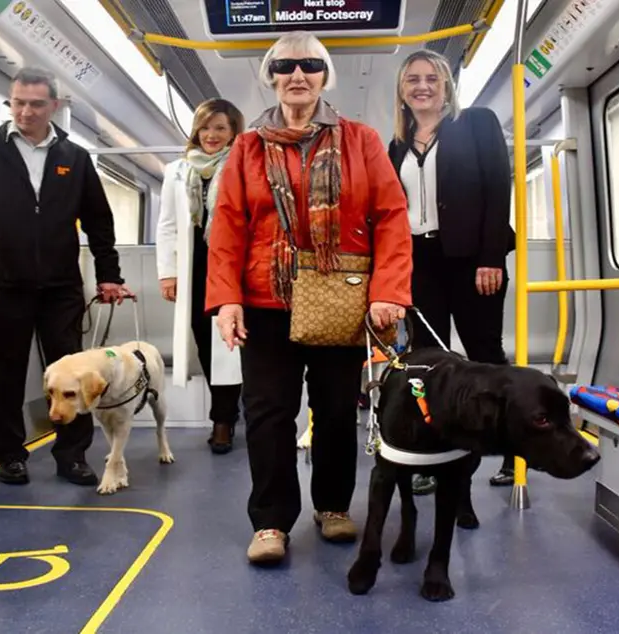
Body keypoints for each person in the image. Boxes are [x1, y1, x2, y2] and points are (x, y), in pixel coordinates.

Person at [206, 31, 413, 565]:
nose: (298, 75)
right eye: (286, 66)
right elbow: (227, 227)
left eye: (310, 65)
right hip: (264, 301)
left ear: (325, 76)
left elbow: (391, 217)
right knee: (269, 413)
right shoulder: (247, 148)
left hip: (339, 298)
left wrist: (388, 291)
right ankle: (271, 521)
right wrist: (226, 300)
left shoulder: (361, 140)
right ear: (272, 77)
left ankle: (333, 506)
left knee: (338, 410)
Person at [0, 67, 132, 487]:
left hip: (60, 287)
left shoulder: (74, 157)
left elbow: (99, 222)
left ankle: (72, 456)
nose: (25, 112)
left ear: (54, 106)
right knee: (0, 375)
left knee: (73, 378)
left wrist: (109, 275)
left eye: (36, 104)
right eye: (17, 102)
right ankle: (9, 456)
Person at [386, 50, 516, 494]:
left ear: (446, 85)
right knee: (426, 361)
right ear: (402, 92)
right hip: (420, 264)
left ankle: (510, 451)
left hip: (471, 259)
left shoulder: (477, 123)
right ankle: (432, 453)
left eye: (431, 78)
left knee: (485, 354)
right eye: (412, 80)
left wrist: (491, 257)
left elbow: (499, 190)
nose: (422, 86)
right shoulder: (397, 144)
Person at [156, 98, 245, 454]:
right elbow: (166, 225)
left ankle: (226, 419)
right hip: (195, 264)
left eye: (220, 128)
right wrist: (168, 273)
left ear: (233, 131)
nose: (211, 135)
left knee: (233, 345)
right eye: (205, 127)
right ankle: (223, 415)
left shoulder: (243, 165)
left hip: (233, 263)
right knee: (207, 347)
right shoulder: (176, 170)